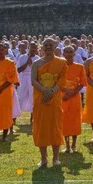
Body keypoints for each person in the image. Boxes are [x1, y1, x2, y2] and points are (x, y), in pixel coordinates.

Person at [30, 38, 68, 167]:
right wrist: (44, 91)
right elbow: (33, 81)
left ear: (55, 46)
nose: (48, 47)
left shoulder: (62, 62)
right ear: (42, 47)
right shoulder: (36, 63)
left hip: (55, 98)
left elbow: (62, 80)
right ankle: (43, 158)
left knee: (55, 127)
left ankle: (56, 158)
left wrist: (52, 92)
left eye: (50, 45)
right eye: (45, 45)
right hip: (40, 99)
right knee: (41, 127)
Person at [62, 46, 86, 152]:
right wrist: (66, 91)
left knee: (75, 120)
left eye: (71, 52)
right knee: (64, 120)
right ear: (63, 54)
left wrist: (73, 93)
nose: (68, 54)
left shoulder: (80, 67)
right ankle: (66, 145)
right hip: (62, 97)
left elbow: (82, 82)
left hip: (75, 97)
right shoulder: (59, 68)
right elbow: (56, 82)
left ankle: (74, 145)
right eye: (66, 52)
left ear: (74, 54)